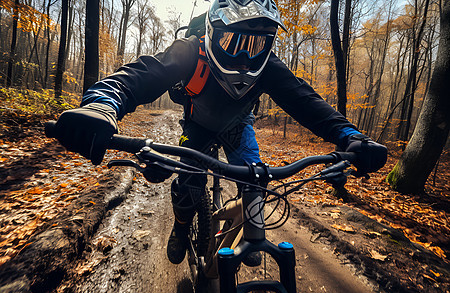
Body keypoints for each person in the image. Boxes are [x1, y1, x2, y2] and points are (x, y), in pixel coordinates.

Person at [52, 0, 387, 265]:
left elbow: (306, 101)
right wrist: (101, 104)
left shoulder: (268, 65)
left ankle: (252, 232)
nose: (244, 56)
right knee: (187, 188)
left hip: (238, 127)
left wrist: (349, 135)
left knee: (256, 180)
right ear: (212, 33)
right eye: (233, 41)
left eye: (256, 44)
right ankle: (181, 227)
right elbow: (140, 76)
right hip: (196, 125)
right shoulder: (190, 50)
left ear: (268, 45)